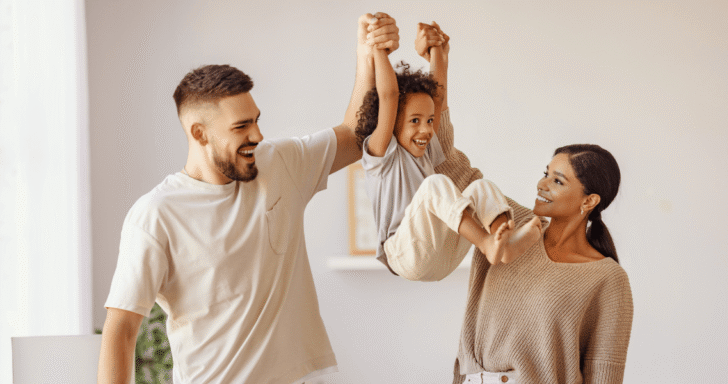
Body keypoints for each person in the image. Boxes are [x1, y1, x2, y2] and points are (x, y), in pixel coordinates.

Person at [97, 13, 400, 384]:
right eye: (241, 127)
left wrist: (367, 53)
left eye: (256, 119)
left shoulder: (280, 163)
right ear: (200, 134)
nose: (257, 134)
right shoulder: (156, 215)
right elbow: (122, 329)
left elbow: (357, 136)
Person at [405, 23, 634, 384]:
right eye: (546, 173)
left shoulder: (607, 279)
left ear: (589, 200)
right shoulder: (504, 224)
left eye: (558, 181)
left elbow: (604, 375)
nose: (542, 184)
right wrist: (439, 63)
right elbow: (445, 159)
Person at [356, 22, 542, 281]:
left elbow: (439, 98)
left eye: (429, 121)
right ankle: (487, 244)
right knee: (436, 184)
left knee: (480, 187)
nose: (426, 130)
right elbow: (388, 95)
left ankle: (504, 243)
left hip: (440, 257)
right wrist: (379, 49)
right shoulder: (382, 156)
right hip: (404, 254)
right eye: (414, 121)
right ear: (391, 123)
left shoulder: (427, 151)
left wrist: (438, 54)